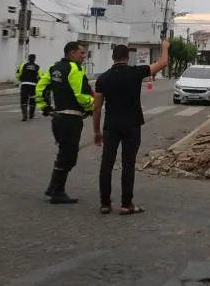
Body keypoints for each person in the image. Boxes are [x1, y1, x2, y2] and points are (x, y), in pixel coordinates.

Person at [92, 39, 170, 215]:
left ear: (113, 58)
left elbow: (96, 107)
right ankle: (126, 204)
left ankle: (105, 203)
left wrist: (96, 131)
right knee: (128, 163)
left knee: (107, 163)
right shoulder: (136, 72)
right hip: (132, 124)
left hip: (111, 126)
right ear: (128, 57)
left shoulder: (103, 78)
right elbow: (163, 63)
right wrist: (165, 47)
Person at [35, 42, 95, 204]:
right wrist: (92, 106)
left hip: (58, 118)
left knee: (64, 153)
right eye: (82, 53)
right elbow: (81, 95)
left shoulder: (54, 68)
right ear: (72, 53)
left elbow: (40, 88)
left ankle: (52, 188)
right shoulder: (74, 69)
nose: (84, 56)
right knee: (69, 156)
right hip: (71, 119)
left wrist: (45, 108)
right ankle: (58, 191)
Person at [16, 54, 42, 121]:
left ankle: (24, 115)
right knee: (32, 100)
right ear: (34, 59)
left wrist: (20, 80)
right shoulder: (37, 67)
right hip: (33, 85)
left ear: (28, 58)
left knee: (24, 100)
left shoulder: (23, 66)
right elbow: (41, 76)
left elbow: (18, 74)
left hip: (24, 84)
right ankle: (31, 115)